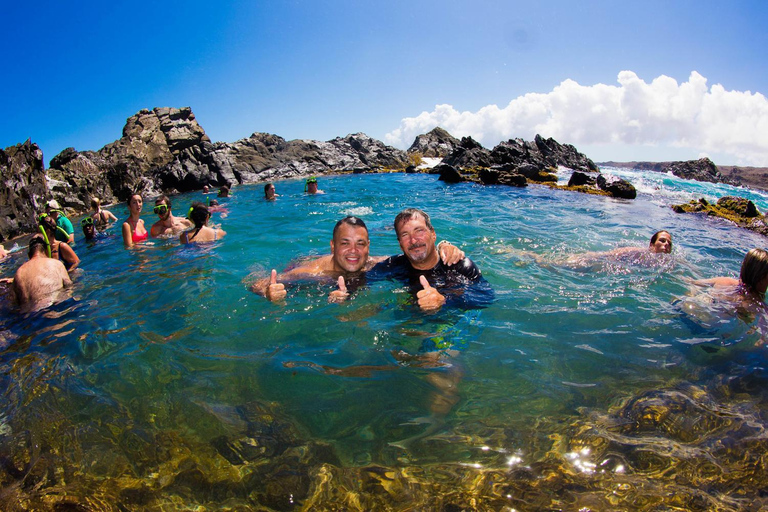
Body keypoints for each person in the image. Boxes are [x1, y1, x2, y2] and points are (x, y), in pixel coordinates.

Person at [253, 215, 465, 303]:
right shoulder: (312, 272)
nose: (353, 251)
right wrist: (268, 292)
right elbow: (256, 282)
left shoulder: (375, 263)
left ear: (368, 247)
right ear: (333, 246)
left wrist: (443, 246)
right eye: (345, 243)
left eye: (360, 244)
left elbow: (415, 256)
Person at [372, 208, 492, 311]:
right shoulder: (393, 266)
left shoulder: (458, 265)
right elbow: (364, 278)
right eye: (405, 235)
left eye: (419, 231)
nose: (413, 240)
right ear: (400, 244)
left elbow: (485, 298)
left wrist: (444, 300)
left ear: (433, 234)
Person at [11, 236, 72, 311]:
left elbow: (15, 303)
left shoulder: (19, 273)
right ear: (46, 251)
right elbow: (69, 286)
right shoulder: (56, 264)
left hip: (32, 317)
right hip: (57, 307)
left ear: (29, 254)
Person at [691, 248, 768, 303]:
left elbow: (693, 282)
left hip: (693, 304)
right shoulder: (755, 302)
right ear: (761, 279)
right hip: (707, 321)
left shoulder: (724, 280)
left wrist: (691, 293)